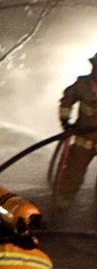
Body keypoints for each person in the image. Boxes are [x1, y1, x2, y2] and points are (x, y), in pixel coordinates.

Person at [53, 51, 97, 206]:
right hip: (83, 139)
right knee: (73, 174)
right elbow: (66, 102)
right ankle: (61, 207)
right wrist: (66, 123)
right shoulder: (82, 85)